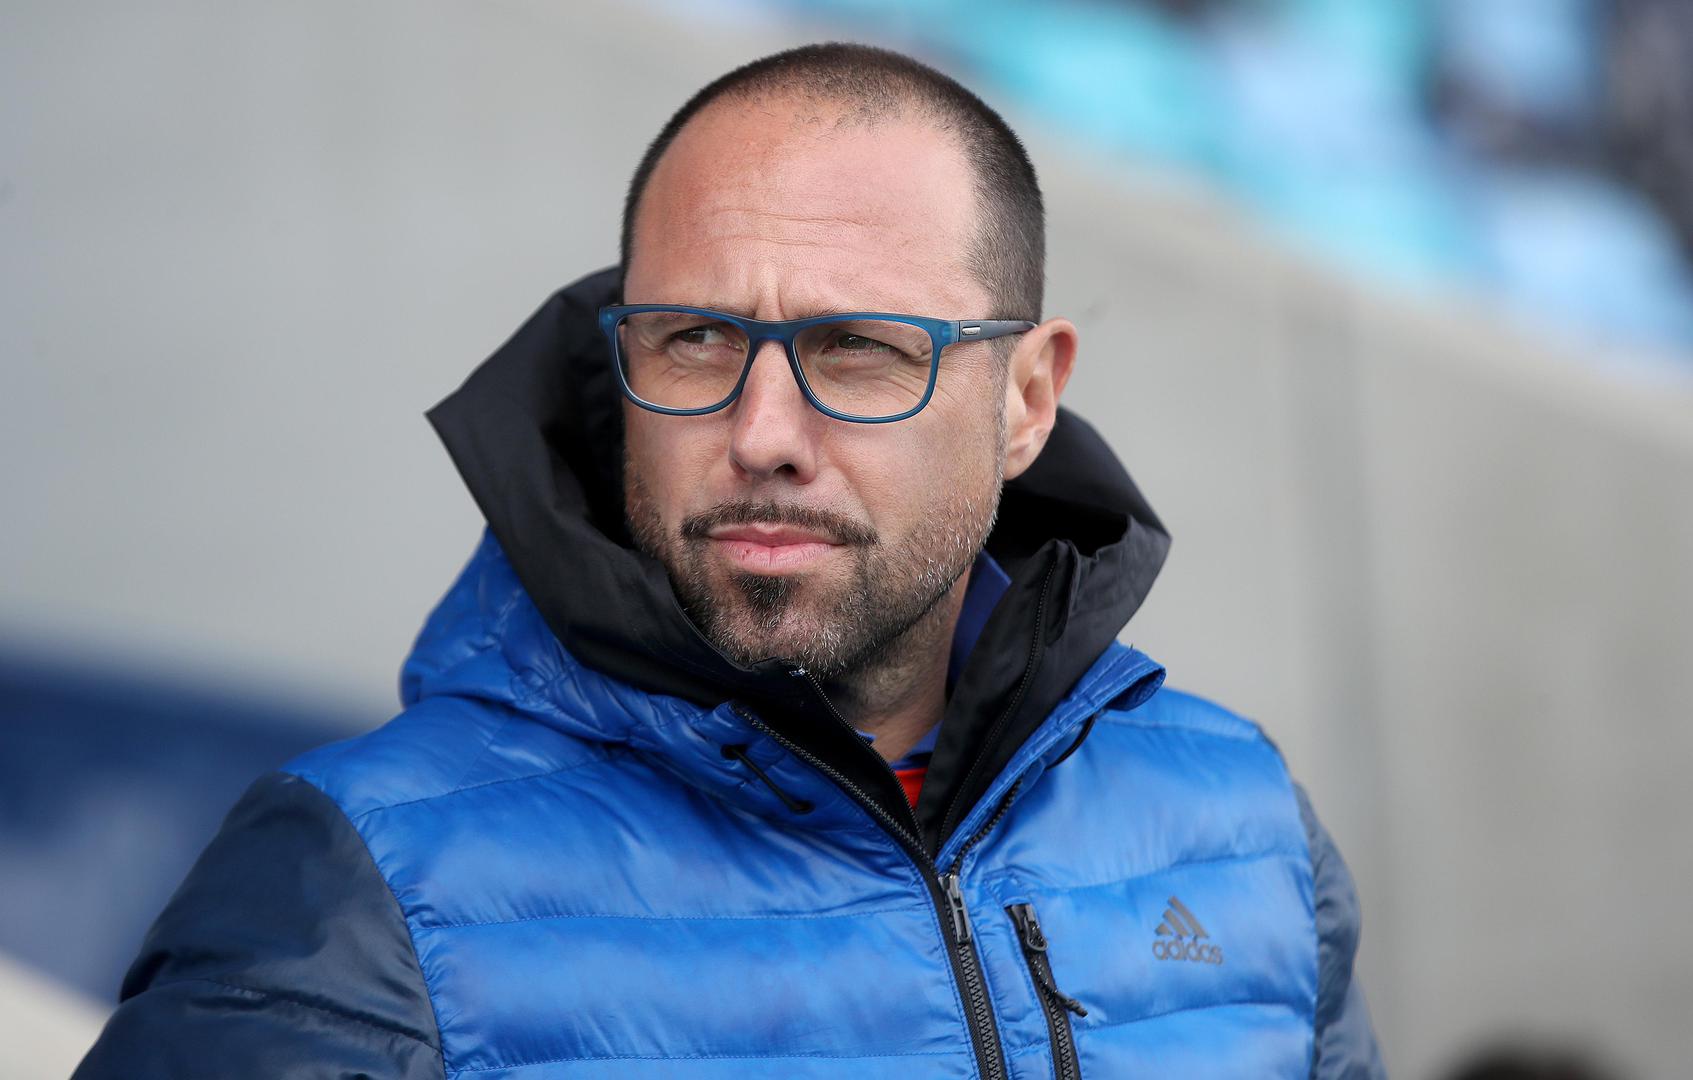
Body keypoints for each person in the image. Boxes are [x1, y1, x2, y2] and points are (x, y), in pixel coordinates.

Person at [75, 42, 1384, 1079]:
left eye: (858, 349)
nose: (761, 434)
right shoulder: (363, 888)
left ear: (1025, 401)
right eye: (694, 340)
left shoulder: (1244, 836)